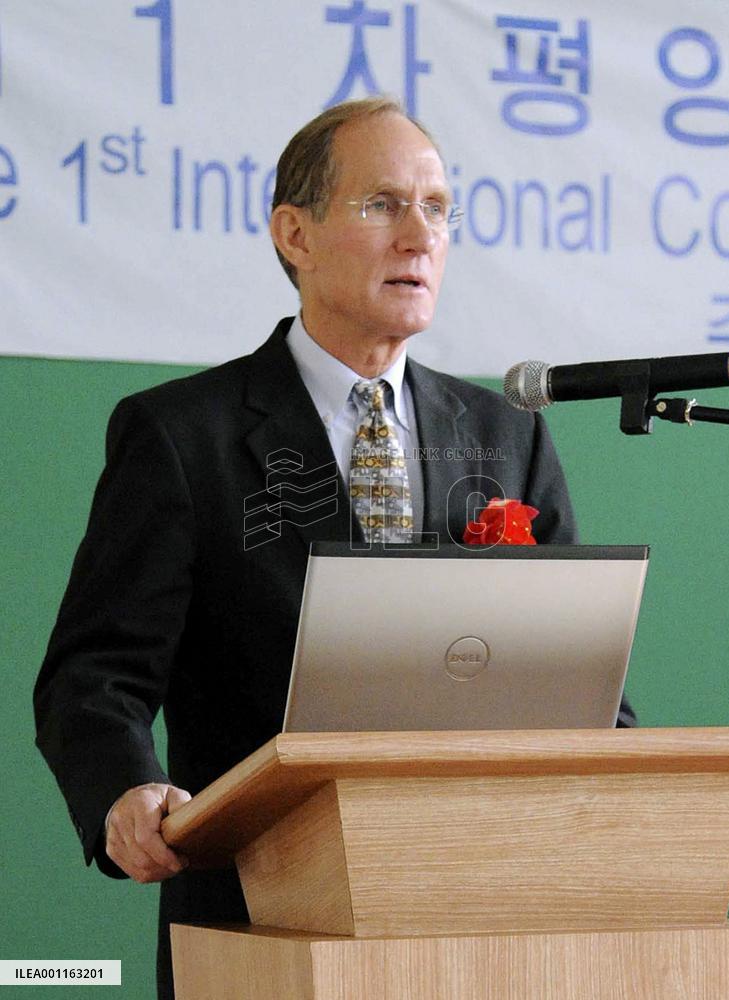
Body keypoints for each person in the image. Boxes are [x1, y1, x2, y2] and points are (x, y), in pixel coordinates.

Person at [34, 96, 631, 1000]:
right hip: (261, 915)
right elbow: (95, 674)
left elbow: (577, 683)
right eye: (383, 204)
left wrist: (633, 787)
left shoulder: (506, 435)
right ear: (295, 233)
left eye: (437, 208)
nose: (419, 236)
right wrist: (126, 790)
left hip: (484, 916)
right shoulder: (181, 435)